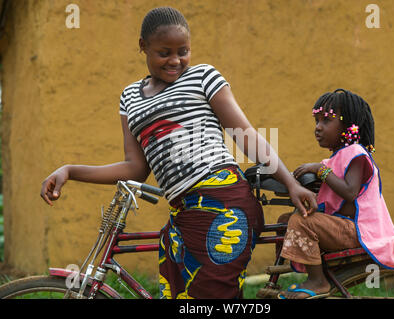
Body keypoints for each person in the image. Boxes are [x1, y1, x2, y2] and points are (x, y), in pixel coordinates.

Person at [40, 7, 317, 299]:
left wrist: (290, 183)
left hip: (226, 206)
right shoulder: (129, 98)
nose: (175, 61)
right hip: (182, 213)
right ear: (142, 46)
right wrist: (70, 170)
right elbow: (135, 168)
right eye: (164, 52)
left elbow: (246, 136)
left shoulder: (203, 76)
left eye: (183, 51)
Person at [277, 89, 394, 299]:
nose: (318, 128)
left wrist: (320, 171)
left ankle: (317, 281)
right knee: (286, 221)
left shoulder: (355, 153)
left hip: (359, 231)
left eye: (326, 120)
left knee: (301, 222)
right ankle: (318, 271)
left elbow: (349, 192)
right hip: (342, 226)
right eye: (316, 121)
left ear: (348, 125)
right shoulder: (335, 159)